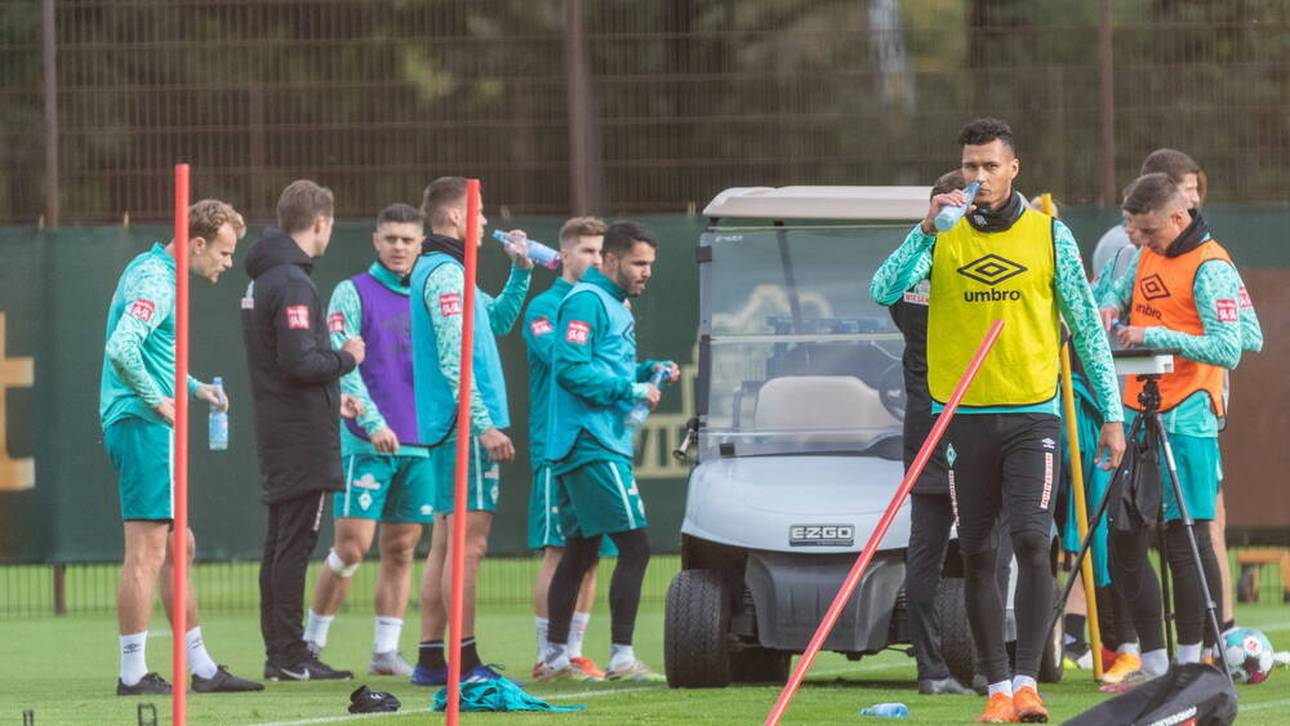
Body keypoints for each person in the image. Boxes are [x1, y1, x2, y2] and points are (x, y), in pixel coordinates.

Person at [871, 117, 1125, 723]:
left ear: (1014, 169)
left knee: (1034, 540)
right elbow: (883, 289)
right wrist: (926, 230)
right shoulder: (941, 234)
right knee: (978, 554)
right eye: (970, 166)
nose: (978, 178)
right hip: (961, 417)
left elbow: (1086, 326)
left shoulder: (1049, 235)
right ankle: (996, 694)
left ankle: (1027, 681)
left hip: (1031, 412)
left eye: (990, 166)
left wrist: (1111, 417)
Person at [101, 199, 262, 695]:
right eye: (224, 252)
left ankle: (202, 667)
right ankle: (133, 674)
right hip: (142, 424)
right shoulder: (157, 280)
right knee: (148, 551)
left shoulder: (154, 269)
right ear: (197, 244)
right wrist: (159, 401)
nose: (228, 262)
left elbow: (153, 354)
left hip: (142, 420)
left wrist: (194, 390)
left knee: (179, 545)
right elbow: (122, 348)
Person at [1097, 173, 1249, 685]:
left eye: (1148, 231)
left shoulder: (1212, 267)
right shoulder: (1141, 252)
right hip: (1138, 407)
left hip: (1188, 415)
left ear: (1178, 217)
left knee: (1185, 538)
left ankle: (1189, 661)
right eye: (1135, 232)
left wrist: (1156, 334)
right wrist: (1109, 306)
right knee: (1126, 536)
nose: (1140, 240)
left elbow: (1230, 347)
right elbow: (1115, 291)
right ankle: (1153, 662)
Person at [534, 221, 679, 682]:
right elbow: (570, 369)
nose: (646, 273)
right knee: (636, 546)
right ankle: (621, 657)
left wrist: (646, 370)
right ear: (610, 260)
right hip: (590, 442)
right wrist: (629, 388)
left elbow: (604, 362)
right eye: (639, 263)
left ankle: (557, 659)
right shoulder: (586, 301)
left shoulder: (613, 304)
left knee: (580, 549)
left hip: (594, 440)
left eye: (651, 265)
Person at [408, 176, 532, 685]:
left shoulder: (453, 272)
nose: (484, 223)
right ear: (456, 217)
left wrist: (521, 273)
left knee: (445, 541)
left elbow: (497, 320)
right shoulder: (444, 276)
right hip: (462, 428)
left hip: (450, 424)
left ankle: (432, 658)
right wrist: (482, 425)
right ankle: (466, 661)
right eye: (478, 214)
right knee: (467, 546)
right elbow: (453, 355)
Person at [302, 203, 434, 676]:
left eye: (408, 240)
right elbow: (346, 363)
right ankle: (310, 644)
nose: (400, 247)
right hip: (366, 440)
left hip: (420, 444)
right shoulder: (351, 291)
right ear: (376, 240)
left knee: (401, 550)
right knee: (353, 547)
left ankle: (384, 651)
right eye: (391, 238)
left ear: (422, 245)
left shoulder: (429, 296)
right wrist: (375, 424)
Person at [242, 179, 366, 681]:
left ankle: (281, 654)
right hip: (300, 437)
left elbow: (283, 366)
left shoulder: (264, 278)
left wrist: (334, 399)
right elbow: (298, 362)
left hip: (283, 425)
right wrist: (347, 358)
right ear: (320, 223)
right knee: (293, 545)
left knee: (278, 544)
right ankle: (291, 656)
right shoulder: (292, 281)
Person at [524, 216, 618, 682]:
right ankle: (549, 654)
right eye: (587, 251)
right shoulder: (544, 308)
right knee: (559, 551)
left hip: (596, 444)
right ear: (563, 256)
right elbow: (564, 360)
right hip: (556, 448)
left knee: (591, 551)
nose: (596, 260)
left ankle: (575, 653)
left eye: (602, 252)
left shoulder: (603, 304)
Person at [893, 170, 975, 697]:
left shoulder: (910, 263)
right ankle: (978, 668)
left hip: (925, 422)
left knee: (926, 547)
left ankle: (935, 669)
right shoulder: (959, 267)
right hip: (965, 420)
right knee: (983, 545)